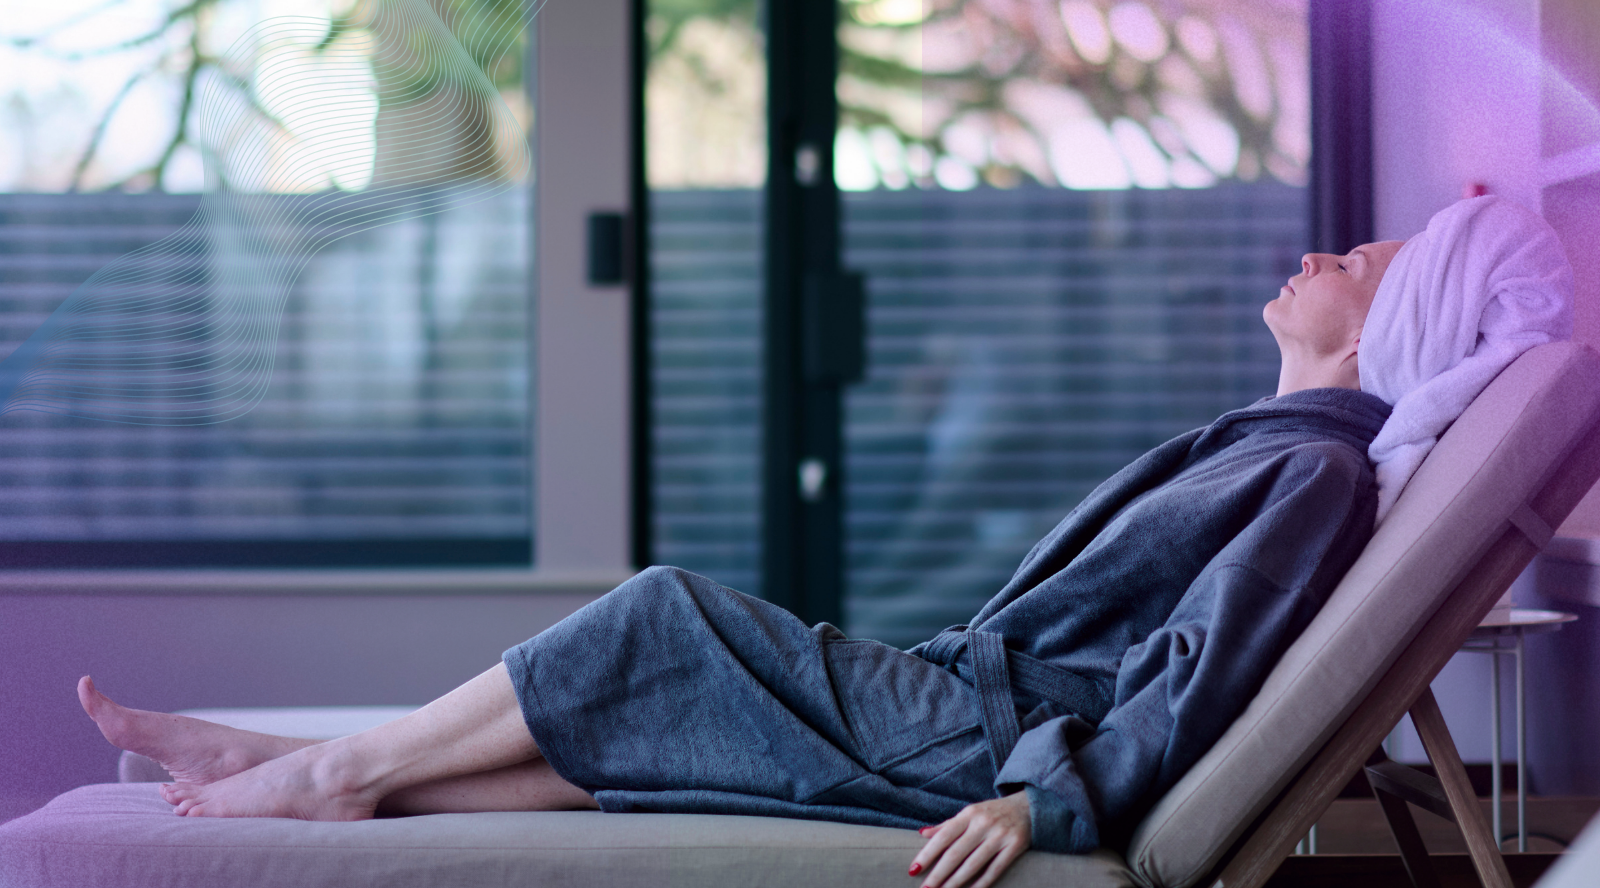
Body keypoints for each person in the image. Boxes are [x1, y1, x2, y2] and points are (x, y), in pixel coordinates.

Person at [77, 195, 1572, 888]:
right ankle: (314, 768)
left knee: (665, 618)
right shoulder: (1277, 447)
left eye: (1357, 259)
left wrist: (1042, 808)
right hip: (975, 695)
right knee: (663, 712)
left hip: (1001, 736)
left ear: (1393, 322)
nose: (1317, 254)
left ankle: (333, 770)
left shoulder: (1310, 481)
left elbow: (1197, 674)